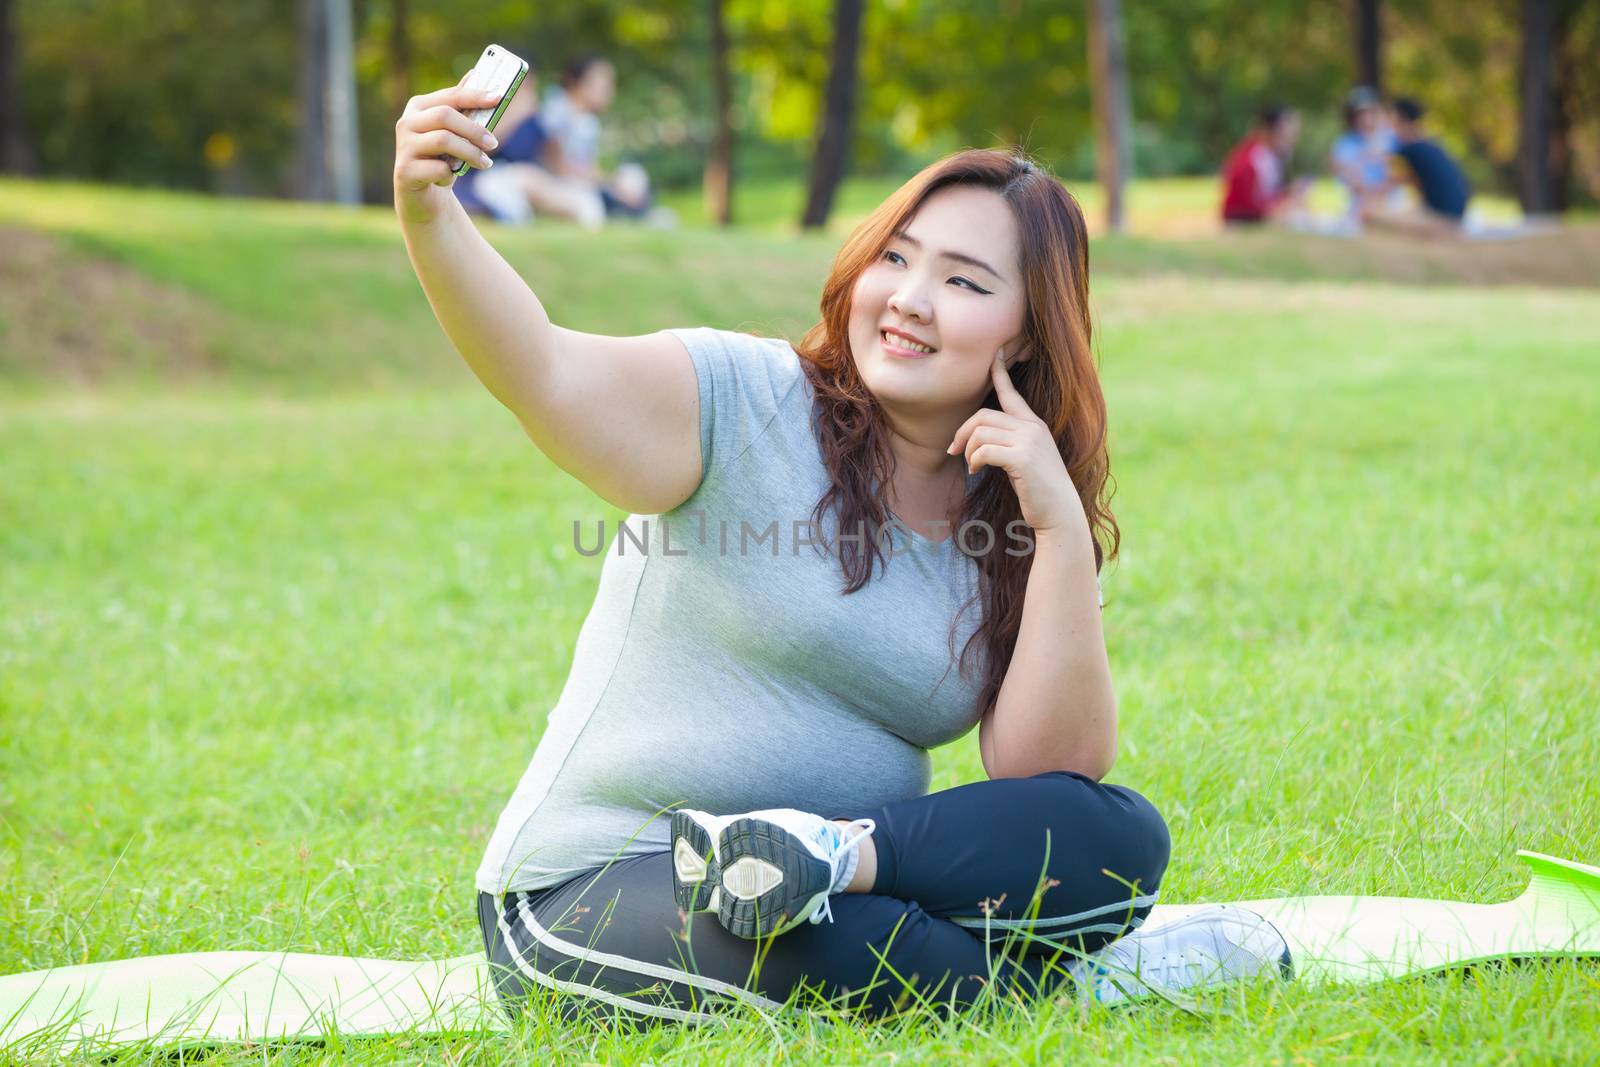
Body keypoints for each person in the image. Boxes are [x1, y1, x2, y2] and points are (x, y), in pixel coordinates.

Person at [393, 81, 1292, 1022]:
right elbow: (541, 364)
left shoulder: (1012, 517)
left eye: (963, 281)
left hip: (851, 883)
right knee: (876, 950)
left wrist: (1061, 532)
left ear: (1025, 332)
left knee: (1119, 837)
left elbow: (1049, 775)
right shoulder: (741, 400)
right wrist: (429, 211)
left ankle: (835, 855)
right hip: (596, 888)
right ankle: (1064, 979)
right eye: (896, 258)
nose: (909, 299)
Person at [452, 57, 605, 230]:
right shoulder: (485, 113)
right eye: (525, 87)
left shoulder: (534, 120)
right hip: (481, 183)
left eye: (532, 87)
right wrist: (514, 115)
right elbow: (476, 151)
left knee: (569, 193)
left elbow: (553, 160)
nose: (529, 94)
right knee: (523, 178)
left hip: (528, 181)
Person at [539, 54, 673, 226]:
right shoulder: (557, 111)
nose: (609, 91)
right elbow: (558, 167)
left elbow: (590, 166)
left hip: (585, 183)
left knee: (633, 175)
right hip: (559, 185)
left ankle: (632, 212)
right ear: (577, 82)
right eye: (603, 84)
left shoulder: (589, 121)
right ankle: (630, 213)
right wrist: (608, 185)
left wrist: (610, 182)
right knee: (595, 202)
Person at [1379, 96, 1472, 234]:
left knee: (1370, 213)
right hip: (1457, 217)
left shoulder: (1408, 148)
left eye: (1390, 117)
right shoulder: (1429, 145)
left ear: (1400, 119)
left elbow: (1389, 182)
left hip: (1442, 220)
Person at [1220, 105, 1310, 225]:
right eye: (1287, 128)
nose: (1293, 136)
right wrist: (1285, 200)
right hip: (1243, 219)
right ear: (1269, 130)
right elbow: (1247, 207)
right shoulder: (1253, 159)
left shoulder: (1273, 156)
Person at [1329, 86, 1399, 226]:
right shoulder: (1344, 143)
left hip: (1386, 198)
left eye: (1369, 112)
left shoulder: (1391, 140)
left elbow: (1397, 176)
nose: (1365, 118)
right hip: (1355, 199)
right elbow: (1343, 174)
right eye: (1359, 114)